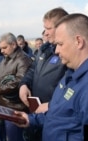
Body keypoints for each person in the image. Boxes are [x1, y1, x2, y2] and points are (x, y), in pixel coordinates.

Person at [15, 13, 88, 141]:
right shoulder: (72, 74)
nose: (56, 50)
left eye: (60, 44)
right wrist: (30, 119)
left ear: (78, 42)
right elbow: (61, 113)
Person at [19, 7, 68, 141]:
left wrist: (52, 105)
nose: (45, 33)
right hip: (36, 111)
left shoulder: (69, 53)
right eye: (44, 28)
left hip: (55, 115)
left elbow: (72, 88)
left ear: (61, 27)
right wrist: (24, 84)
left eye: (48, 28)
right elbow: (32, 69)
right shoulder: (44, 49)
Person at [0, 32, 33, 141]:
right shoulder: (6, 57)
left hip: (16, 107)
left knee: (15, 137)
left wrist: (0, 89)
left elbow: (19, 81)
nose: (2, 51)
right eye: (1, 48)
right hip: (6, 104)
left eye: (4, 48)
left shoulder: (23, 59)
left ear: (14, 45)